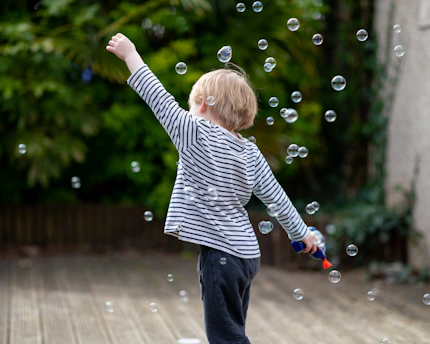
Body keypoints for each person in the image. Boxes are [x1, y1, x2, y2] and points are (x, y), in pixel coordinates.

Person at [107, 33, 318, 344]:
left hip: (221, 255)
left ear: (202, 104)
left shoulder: (194, 132)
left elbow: (158, 97)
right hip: (246, 256)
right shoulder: (249, 151)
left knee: (226, 338)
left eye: (191, 105)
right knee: (232, 329)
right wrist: (302, 233)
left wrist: (130, 55)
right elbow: (276, 197)